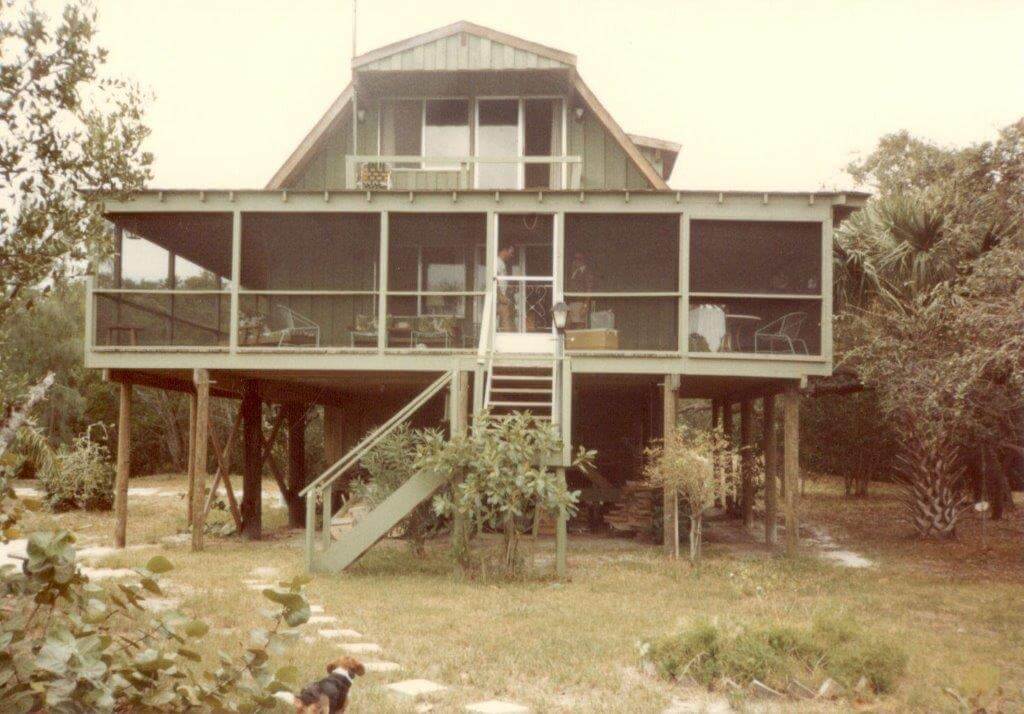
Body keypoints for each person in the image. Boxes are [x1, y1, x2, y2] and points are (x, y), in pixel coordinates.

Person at [566, 251, 593, 329]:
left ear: (583, 260)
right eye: (575, 259)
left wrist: (585, 305)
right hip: (571, 302)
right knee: (568, 324)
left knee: (579, 326)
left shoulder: (587, 272)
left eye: (578, 259)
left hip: (580, 303)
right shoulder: (574, 271)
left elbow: (589, 289)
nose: (576, 261)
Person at [496, 243, 516, 331]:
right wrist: (500, 296)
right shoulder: (496, 262)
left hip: (502, 297)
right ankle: (510, 342)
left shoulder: (502, 264)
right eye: (511, 253)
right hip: (498, 299)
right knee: (506, 320)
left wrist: (510, 288)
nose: (512, 255)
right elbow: (493, 280)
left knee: (509, 319)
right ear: (504, 250)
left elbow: (502, 282)